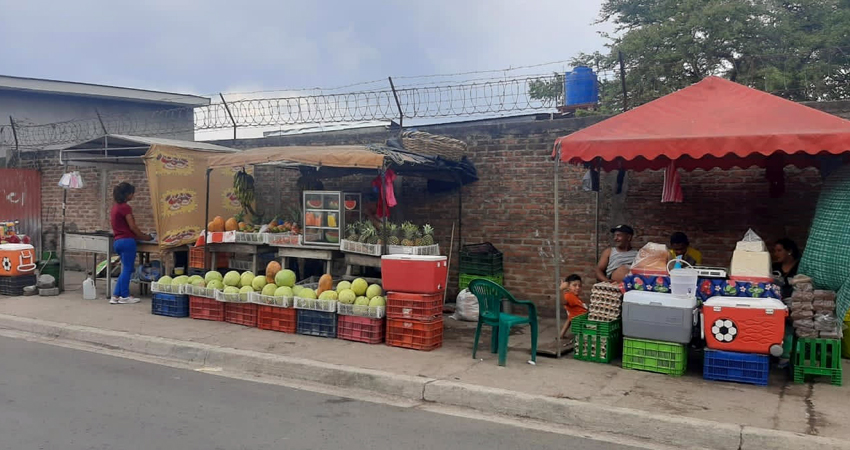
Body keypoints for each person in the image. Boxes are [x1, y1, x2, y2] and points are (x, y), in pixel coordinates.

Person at [110, 182, 152, 304]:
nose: (133, 196)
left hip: (117, 241)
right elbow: (132, 226)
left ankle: (116, 296)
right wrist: (145, 237)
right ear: (127, 194)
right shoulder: (125, 208)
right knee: (128, 269)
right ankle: (124, 295)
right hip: (127, 241)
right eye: (132, 194)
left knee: (125, 269)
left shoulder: (115, 207)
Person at [559, 274, 587, 341]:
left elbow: (569, 318)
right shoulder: (569, 296)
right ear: (568, 287)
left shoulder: (575, 297)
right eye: (574, 285)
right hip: (582, 324)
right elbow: (563, 302)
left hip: (584, 321)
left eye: (579, 286)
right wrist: (560, 290)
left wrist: (561, 335)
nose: (578, 287)